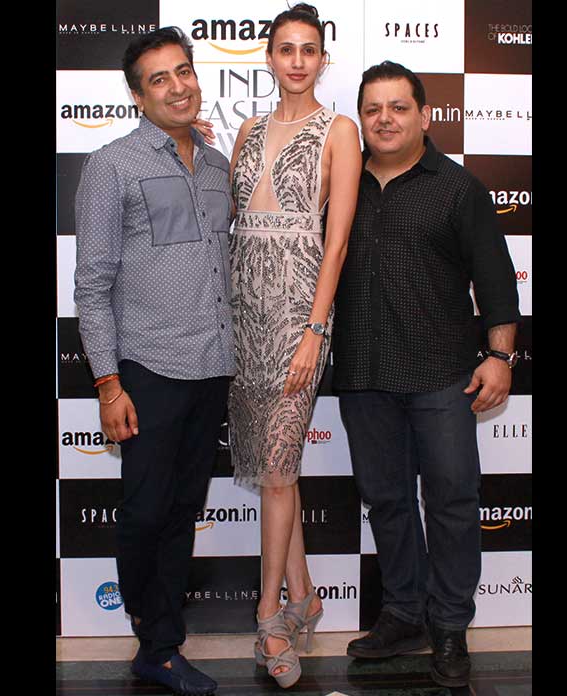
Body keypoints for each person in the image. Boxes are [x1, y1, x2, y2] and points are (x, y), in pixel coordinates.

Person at [332, 61, 521, 689]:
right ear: (362, 117)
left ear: (425, 115)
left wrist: (500, 357)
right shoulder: (341, 181)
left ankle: (450, 625)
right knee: (386, 500)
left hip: (443, 374)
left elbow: (496, 281)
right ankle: (404, 614)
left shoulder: (459, 188)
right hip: (362, 372)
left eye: (399, 107)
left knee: (452, 501)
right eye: (373, 109)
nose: (384, 119)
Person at [74, 26, 234, 696]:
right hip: (148, 370)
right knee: (145, 513)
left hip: (213, 366)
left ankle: (161, 648)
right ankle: (151, 628)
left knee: (182, 511)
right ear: (138, 97)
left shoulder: (219, 166)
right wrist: (109, 385)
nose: (177, 86)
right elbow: (92, 285)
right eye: (159, 79)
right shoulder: (112, 165)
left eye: (183, 71)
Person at [227, 3, 362, 689]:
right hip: (243, 314)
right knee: (274, 466)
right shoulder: (247, 129)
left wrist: (314, 329)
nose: (298, 60)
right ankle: (305, 596)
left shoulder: (340, 130)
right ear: (270, 58)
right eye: (287, 49)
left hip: (298, 316)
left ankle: (268, 618)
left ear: (323, 59)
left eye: (310, 49)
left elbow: (336, 243)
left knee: (277, 466)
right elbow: (233, 221)